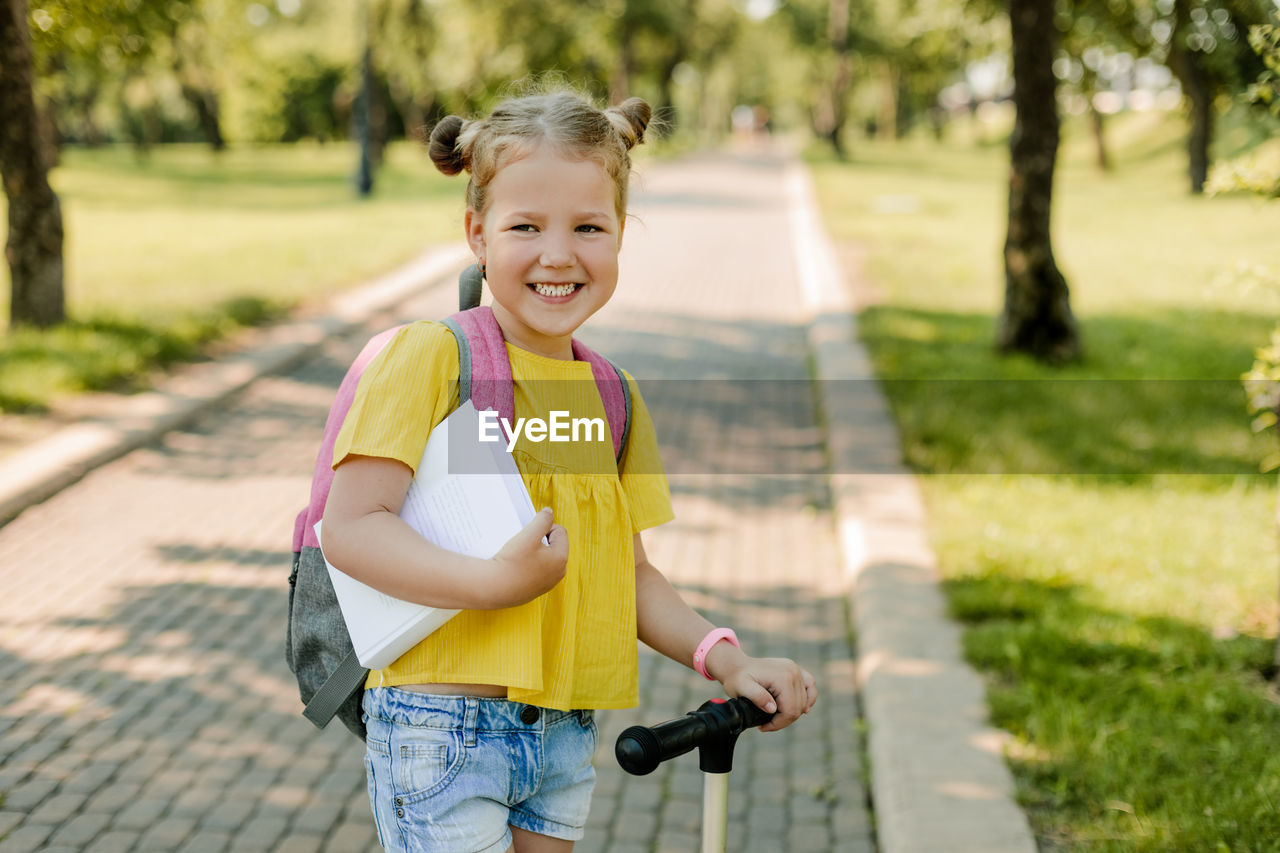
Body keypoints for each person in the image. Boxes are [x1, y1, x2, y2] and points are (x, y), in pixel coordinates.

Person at [320, 86, 818, 853]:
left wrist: (727, 657)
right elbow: (351, 528)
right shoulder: (430, 358)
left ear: (621, 233)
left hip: (561, 735)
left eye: (589, 226)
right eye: (526, 226)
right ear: (477, 233)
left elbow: (631, 572)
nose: (559, 254)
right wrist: (490, 583)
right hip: (440, 726)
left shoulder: (612, 395)